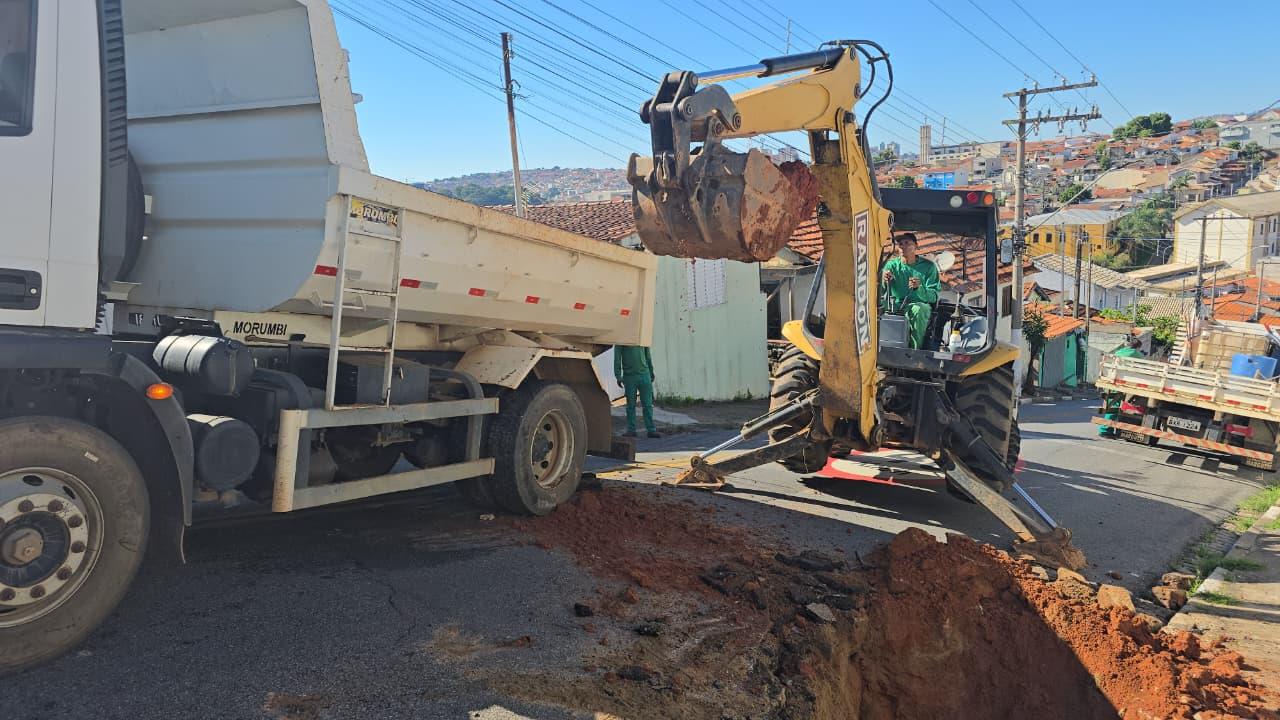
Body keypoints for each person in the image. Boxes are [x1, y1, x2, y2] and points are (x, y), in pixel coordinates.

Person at [881, 233, 940, 349]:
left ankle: (914, 350)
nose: (903, 247)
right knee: (873, 307)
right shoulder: (891, 265)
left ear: (916, 247)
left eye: (907, 243)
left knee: (918, 309)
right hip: (894, 304)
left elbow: (934, 295)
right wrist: (884, 280)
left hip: (915, 305)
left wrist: (919, 288)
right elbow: (880, 290)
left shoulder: (929, 267)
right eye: (900, 244)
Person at [614, 345, 659, 438]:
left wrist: (651, 371)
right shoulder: (621, 339)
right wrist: (618, 375)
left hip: (644, 374)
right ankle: (631, 430)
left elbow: (648, 354)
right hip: (629, 376)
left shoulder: (641, 335)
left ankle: (651, 430)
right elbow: (617, 357)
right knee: (631, 405)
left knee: (647, 404)